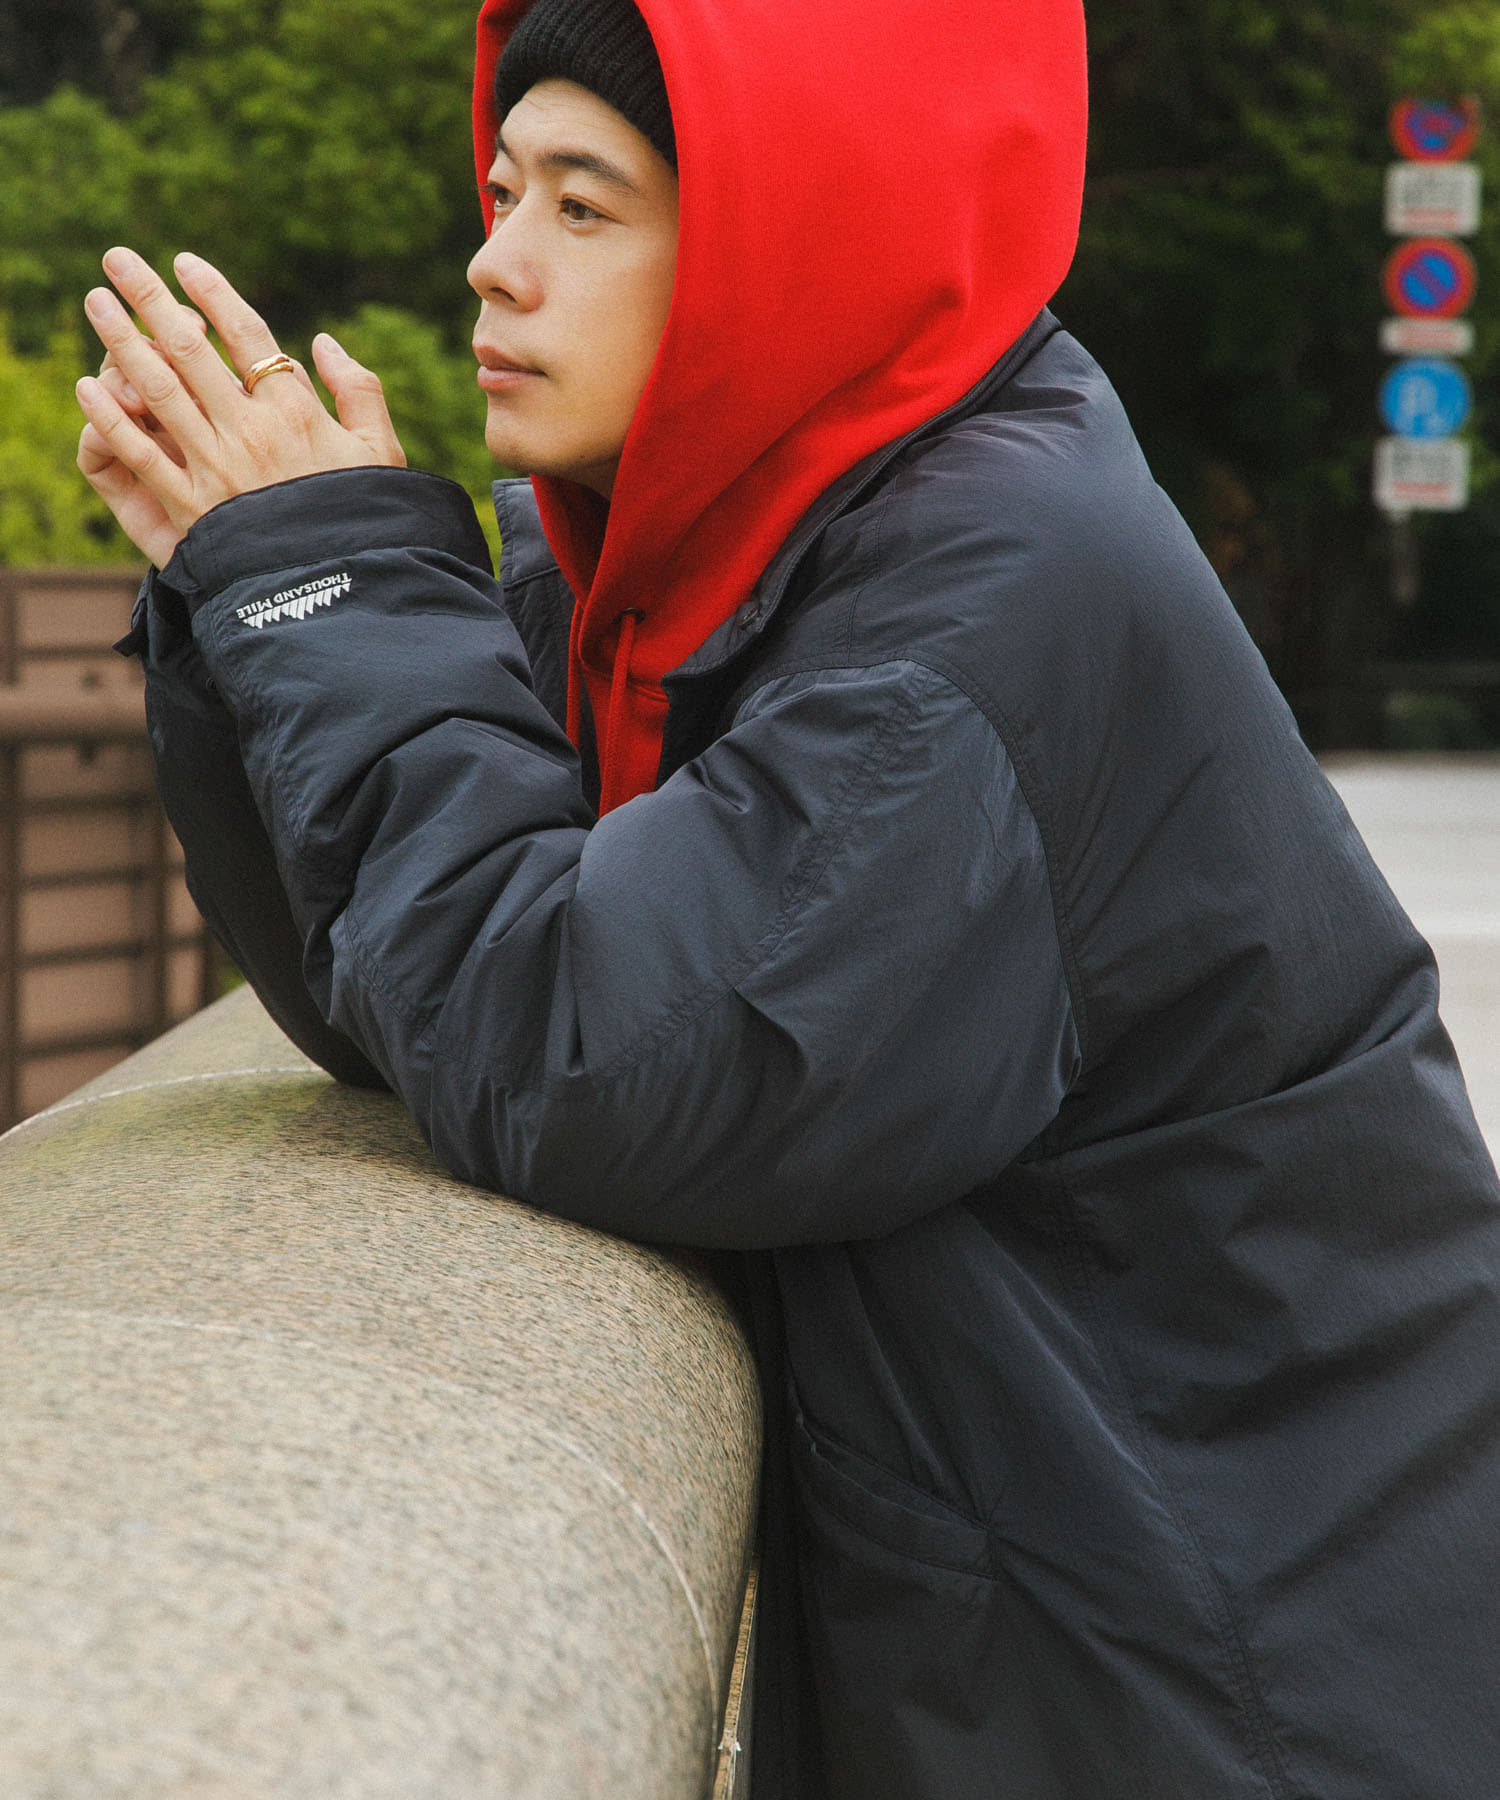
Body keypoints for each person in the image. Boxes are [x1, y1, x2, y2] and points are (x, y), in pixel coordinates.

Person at [77, 0, 1500, 1794]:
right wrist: (253, 598)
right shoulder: (736, 537)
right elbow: (404, 995)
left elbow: (589, 1061)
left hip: (1248, 1686)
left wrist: (330, 589)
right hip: (1118, 1629)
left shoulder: (980, 608)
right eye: (504, 190)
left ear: (785, 241)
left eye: (584, 206)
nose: (496, 260)